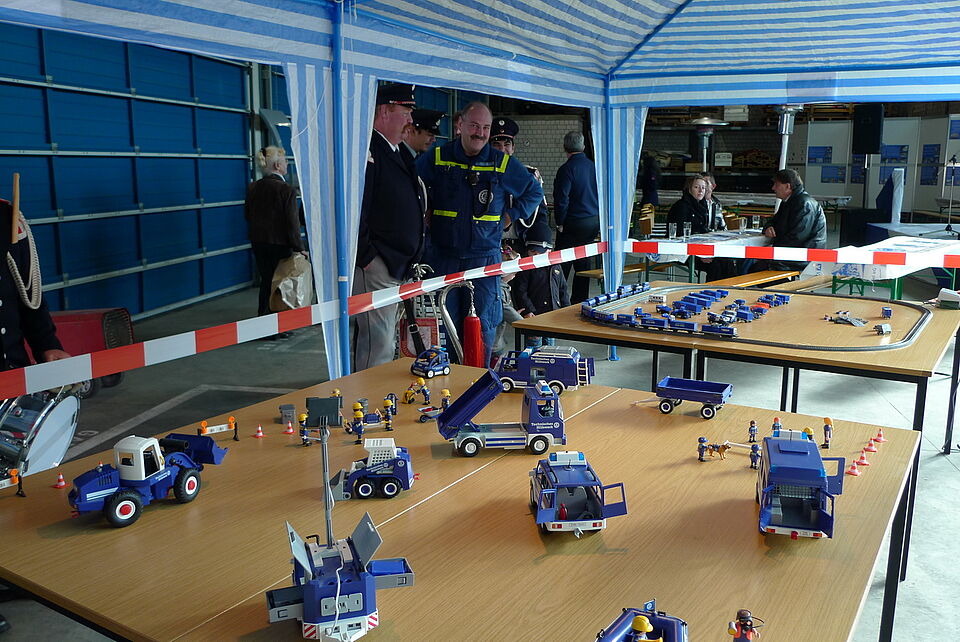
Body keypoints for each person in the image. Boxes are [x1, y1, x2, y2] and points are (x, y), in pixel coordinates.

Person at [417, 101, 543, 367]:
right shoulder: (438, 157)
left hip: (484, 260)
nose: (480, 133)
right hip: (445, 257)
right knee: (448, 325)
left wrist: (510, 216)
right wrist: (423, 212)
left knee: (483, 325)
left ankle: (479, 379)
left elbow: (534, 192)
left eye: (485, 127)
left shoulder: (501, 162)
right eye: (474, 126)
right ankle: (452, 379)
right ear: (460, 125)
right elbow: (411, 184)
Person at [0, 195, 70, 634]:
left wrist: (47, 344)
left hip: (10, 374)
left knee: (13, 481)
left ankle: (11, 570)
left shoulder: (8, 219)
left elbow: (30, 297)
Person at [352, 83, 425, 371]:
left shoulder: (397, 152)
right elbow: (357, 208)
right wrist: (368, 257)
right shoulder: (368, 151)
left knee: (385, 341)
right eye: (406, 112)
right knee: (377, 343)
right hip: (378, 265)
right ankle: (364, 397)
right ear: (384, 111)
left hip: (396, 264)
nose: (410, 119)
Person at [244, 145, 307, 329]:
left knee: (266, 281)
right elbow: (292, 223)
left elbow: (247, 214)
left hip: (258, 242)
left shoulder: (253, 187)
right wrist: (299, 247)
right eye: (285, 161)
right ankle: (279, 326)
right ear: (278, 165)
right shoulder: (286, 190)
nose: (287, 164)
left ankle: (263, 322)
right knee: (280, 285)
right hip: (280, 244)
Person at [490, 117, 550, 253]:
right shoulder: (480, 175)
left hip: (521, 246)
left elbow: (540, 215)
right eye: (496, 145)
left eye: (507, 144)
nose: (502, 150)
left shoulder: (529, 175)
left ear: (513, 148)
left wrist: (538, 245)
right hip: (490, 245)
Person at [553, 131, 599, 304]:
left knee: (562, 261)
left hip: (573, 221)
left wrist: (560, 222)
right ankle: (580, 300)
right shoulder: (594, 167)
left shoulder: (566, 169)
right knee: (583, 261)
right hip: (593, 220)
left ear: (565, 147)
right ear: (583, 147)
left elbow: (561, 199)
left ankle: (558, 298)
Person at [751, 168, 826, 272]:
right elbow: (773, 220)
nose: (773, 188)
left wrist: (773, 249)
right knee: (753, 264)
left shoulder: (804, 204)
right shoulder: (789, 201)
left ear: (788, 186)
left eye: (776, 185)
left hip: (803, 257)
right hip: (795, 253)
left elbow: (797, 237)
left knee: (756, 268)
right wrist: (768, 227)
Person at [510, 223, 569, 347]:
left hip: (553, 315)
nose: (536, 256)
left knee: (550, 347)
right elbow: (520, 291)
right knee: (534, 347)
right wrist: (528, 310)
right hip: (534, 316)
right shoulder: (526, 267)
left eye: (540, 253)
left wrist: (566, 309)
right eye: (532, 252)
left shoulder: (556, 266)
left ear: (549, 251)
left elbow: (563, 289)